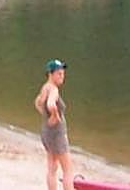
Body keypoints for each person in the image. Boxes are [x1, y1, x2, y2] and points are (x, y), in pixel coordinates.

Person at [34, 59, 72, 190]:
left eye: (63, 73)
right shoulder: (53, 89)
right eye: (59, 74)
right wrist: (55, 116)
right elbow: (50, 104)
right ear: (50, 74)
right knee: (68, 170)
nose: (62, 76)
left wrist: (46, 117)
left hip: (46, 132)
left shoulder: (45, 87)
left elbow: (38, 102)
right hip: (57, 134)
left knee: (52, 167)